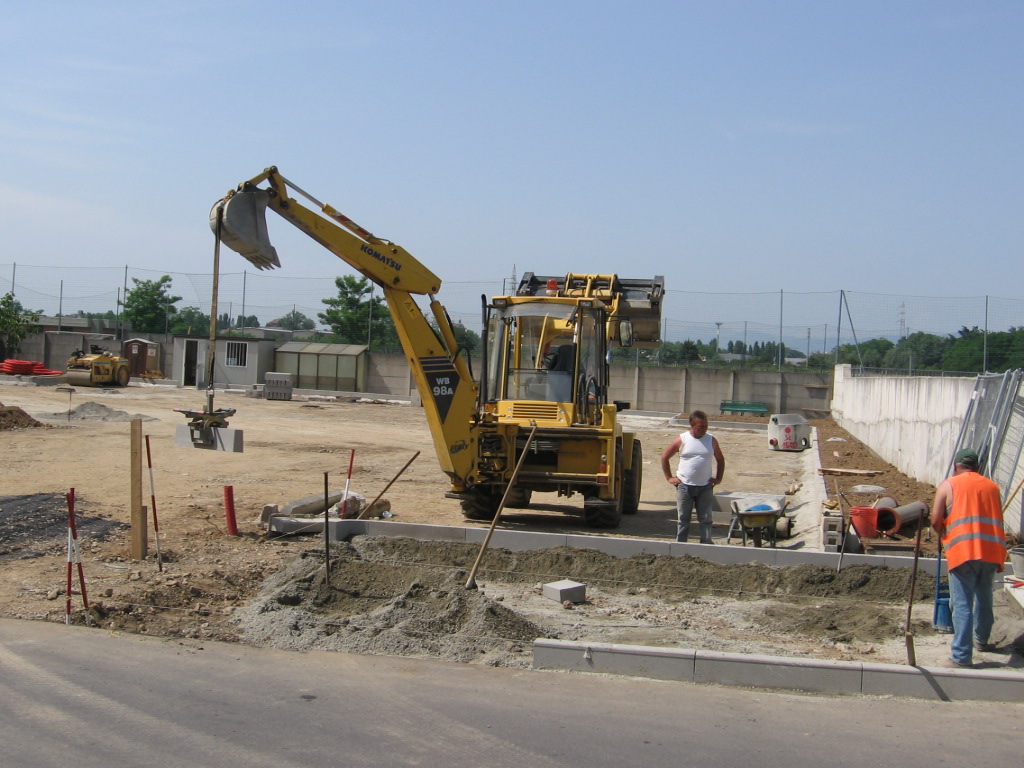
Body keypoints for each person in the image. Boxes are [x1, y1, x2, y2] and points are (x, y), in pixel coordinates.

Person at [930, 447, 1007, 668]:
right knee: (984, 598)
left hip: (963, 552)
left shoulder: (949, 484)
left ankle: (962, 657)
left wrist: (943, 534)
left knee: (962, 603)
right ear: (977, 467)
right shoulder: (993, 487)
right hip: (991, 551)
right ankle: (981, 640)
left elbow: (936, 520)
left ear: (956, 466)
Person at [661, 410, 725, 544]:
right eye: (700, 426)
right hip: (685, 486)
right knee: (683, 519)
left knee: (706, 518)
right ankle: (680, 545)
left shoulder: (711, 440)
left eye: (706, 426)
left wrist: (718, 478)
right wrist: (669, 478)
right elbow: (665, 457)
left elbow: (720, 459)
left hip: (705, 486)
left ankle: (706, 543)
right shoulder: (682, 439)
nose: (704, 429)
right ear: (692, 425)